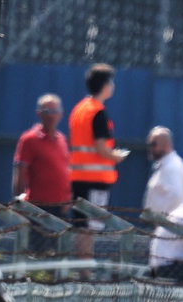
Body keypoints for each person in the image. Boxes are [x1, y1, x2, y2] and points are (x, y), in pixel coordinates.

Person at [69, 64, 125, 264]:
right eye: (111, 81)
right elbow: (101, 148)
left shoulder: (79, 109)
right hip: (95, 180)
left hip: (78, 178)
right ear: (104, 85)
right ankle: (85, 270)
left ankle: (81, 267)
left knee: (81, 226)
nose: (112, 85)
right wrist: (115, 156)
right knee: (90, 229)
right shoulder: (98, 112)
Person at [11, 94, 70, 256]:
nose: (51, 115)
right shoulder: (29, 139)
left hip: (59, 208)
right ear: (39, 113)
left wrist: (67, 199)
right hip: (37, 208)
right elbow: (20, 171)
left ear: (61, 114)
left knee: (56, 252)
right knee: (35, 252)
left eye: (55, 111)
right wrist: (19, 200)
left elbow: (64, 171)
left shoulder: (61, 139)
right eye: (47, 110)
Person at [143, 126, 183, 217]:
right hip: (162, 225)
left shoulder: (173, 167)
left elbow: (176, 196)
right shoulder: (165, 165)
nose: (150, 149)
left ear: (166, 145)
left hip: (169, 226)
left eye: (153, 144)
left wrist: (162, 218)